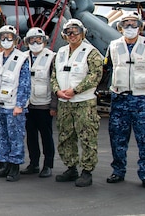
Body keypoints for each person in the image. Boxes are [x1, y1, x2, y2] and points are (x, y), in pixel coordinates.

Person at [104, 11, 145, 189]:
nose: (130, 27)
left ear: (140, 27)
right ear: (120, 27)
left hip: (142, 100)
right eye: (126, 24)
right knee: (117, 138)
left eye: (133, 24)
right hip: (120, 99)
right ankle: (118, 170)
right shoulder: (113, 45)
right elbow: (109, 67)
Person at [51, 18, 103, 187]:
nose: (72, 35)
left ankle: (87, 171)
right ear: (64, 35)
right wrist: (57, 90)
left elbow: (95, 75)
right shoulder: (60, 53)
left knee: (87, 137)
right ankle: (71, 167)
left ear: (83, 33)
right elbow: (53, 75)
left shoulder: (91, 52)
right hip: (64, 103)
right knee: (65, 136)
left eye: (76, 31)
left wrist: (75, 90)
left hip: (84, 102)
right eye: (68, 32)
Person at [0, 25, 30, 182]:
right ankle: (3, 163)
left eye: (9, 37)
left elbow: (25, 84)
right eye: (3, 38)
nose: (6, 41)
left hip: (13, 105)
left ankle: (14, 166)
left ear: (15, 40)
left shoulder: (21, 58)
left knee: (15, 136)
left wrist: (20, 105)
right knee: (0, 136)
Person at [20, 27, 56, 178]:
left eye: (38, 39)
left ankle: (48, 165)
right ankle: (33, 163)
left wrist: (54, 105)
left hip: (44, 104)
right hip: (28, 105)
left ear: (44, 41)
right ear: (27, 42)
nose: (35, 42)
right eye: (32, 40)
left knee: (46, 136)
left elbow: (55, 81)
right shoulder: (22, 57)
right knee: (31, 136)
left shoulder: (51, 57)